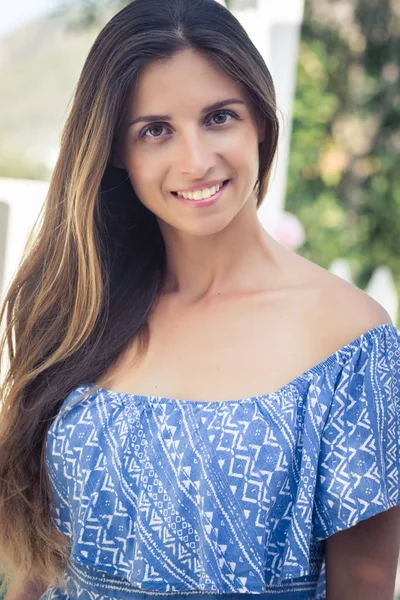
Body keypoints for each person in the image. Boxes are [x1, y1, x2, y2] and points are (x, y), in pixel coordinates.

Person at [0, 0, 399, 598]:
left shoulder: (353, 340)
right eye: (155, 130)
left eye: (219, 117)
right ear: (115, 150)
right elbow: (39, 561)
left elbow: (365, 583)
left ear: (261, 122)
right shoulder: (79, 312)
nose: (195, 160)